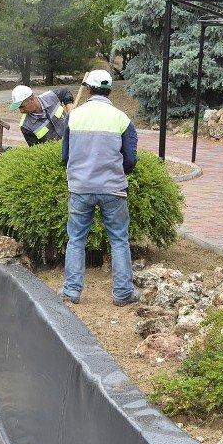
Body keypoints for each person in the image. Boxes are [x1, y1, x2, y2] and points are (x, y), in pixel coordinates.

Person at [59, 70, 141, 307]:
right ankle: (123, 293)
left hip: (80, 188)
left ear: (89, 90)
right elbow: (131, 159)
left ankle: (72, 291)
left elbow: (65, 156)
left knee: (75, 239)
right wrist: (116, 174)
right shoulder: (121, 118)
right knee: (119, 240)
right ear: (110, 90)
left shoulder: (74, 117)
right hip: (113, 189)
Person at [9, 84, 75, 145]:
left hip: (74, 139)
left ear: (31, 99)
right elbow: (36, 149)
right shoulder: (26, 126)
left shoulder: (51, 97)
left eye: (22, 106)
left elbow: (65, 91)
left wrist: (70, 109)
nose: (21, 111)